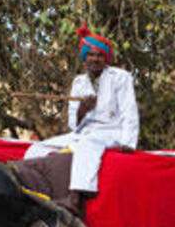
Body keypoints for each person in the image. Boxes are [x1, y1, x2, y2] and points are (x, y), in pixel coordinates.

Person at [23, 26, 139, 196]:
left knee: (87, 145)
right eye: (91, 55)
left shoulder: (120, 77)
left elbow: (129, 111)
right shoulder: (79, 82)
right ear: (85, 57)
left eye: (99, 55)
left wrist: (128, 142)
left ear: (105, 58)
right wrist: (82, 111)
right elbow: (73, 124)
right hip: (84, 133)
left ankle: (79, 193)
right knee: (38, 147)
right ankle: (30, 186)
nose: (95, 59)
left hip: (111, 132)